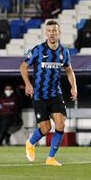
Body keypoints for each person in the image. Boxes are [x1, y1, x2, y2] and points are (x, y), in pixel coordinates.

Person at [20, 20, 77, 166]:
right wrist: (27, 84)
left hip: (55, 94)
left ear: (59, 33)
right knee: (46, 129)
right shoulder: (39, 50)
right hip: (39, 95)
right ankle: (30, 143)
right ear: (46, 33)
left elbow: (69, 71)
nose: (52, 33)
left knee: (60, 125)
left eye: (54, 30)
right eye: (49, 30)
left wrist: (73, 87)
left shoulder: (64, 52)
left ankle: (50, 158)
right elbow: (23, 66)